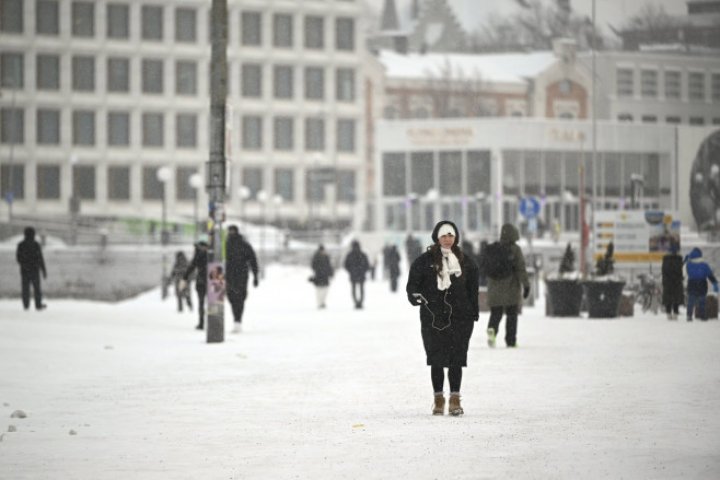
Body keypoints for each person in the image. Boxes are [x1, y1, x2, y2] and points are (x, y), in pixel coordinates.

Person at [406, 220, 479, 416]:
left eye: (451, 236)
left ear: (456, 238)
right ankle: (438, 399)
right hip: (433, 317)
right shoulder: (424, 261)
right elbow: (412, 285)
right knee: (436, 359)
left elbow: (473, 289)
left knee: (457, 359)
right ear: (437, 238)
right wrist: (415, 297)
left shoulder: (466, 262)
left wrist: (473, 312)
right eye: (444, 235)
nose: (448, 239)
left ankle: (455, 399)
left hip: (460, 318)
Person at [486, 223, 530, 349]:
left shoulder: (493, 249)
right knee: (511, 315)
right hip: (511, 287)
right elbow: (521, 269)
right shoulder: (515, 249)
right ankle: (510, 341)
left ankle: (491, 330)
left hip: (494, 288)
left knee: (496, 313)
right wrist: (526, 285)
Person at [225, 225, 259, 333]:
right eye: (230, 231)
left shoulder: (244, 245)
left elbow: (253, 260)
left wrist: (255, 276)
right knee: (232, 297)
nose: (231, 233)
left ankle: (238, 320)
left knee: (239, 297)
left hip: (241, 275)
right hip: (229, 275)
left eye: (233, 231)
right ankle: (237, 319)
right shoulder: (225, 244)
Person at [16, 226, 47, 311]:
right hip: (35, 270)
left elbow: (18, 258)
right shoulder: (36, 244)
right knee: (37, 288)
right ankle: (38, 305)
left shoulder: (21, 245)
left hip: (24, 270)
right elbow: (40, 258)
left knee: (25, 288)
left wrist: (24, 264)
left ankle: (26, 305)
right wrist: (43, 270)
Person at [684, 247, 718, 321]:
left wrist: (685, 261)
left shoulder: (688, 264)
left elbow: (683, 272)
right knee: (702, 300)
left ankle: (689, 316)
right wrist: (715, 283)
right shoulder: (704, 264)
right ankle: (702, 315)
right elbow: (710, 275)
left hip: (692, 283)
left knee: (691, 301)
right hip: (702, 284)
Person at [184, 239, 209, 330]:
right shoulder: (212, 254)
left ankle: (202, 323)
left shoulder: (199, 254)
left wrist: (185, 277)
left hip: (202, 282)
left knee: (201, 303)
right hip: (210, 282)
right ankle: (208, 322)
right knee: (210, 303)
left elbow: (192, 266)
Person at [344, 240, 370, 309]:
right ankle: (360, 302)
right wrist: (363, 271)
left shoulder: (349, 255)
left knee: (354, 289)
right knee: (361, 289)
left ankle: (356, 302)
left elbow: (346, 265)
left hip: (353, 275)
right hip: (361, 274)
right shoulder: (363, 254)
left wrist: (350, 271)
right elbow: (367, 265)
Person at [661, 242, 684, 320]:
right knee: (676, 297)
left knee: (668, 298)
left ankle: (668, 313)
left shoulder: (665, 258)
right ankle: (675, 313)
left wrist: (664, 281)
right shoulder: (679, 259)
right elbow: (680, 271)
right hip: (676, 281)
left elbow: (663, 270)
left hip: (667, 282)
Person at [310, 244, 334, 309]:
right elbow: (313, 266)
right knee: (319, 289)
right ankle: (320, 303)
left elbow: (329, 266)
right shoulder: (317, 257)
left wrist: (331, 273)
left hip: (324, 275)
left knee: (324, 289)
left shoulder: (325, 257)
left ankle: (322, 302)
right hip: (319, 275)